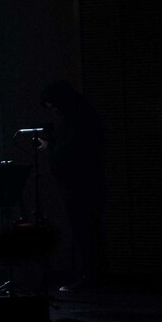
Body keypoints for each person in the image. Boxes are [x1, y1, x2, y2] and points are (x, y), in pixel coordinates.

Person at [40, 80, 106, 293]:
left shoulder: (78, 119)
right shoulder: (82, 114)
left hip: (81, 185)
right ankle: (90, 276)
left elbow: (71, 152)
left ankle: (88, 277)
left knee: (85, 231)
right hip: (87, 183)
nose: (53, 110)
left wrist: (49, 146)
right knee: (87, 231)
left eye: (52, 106)